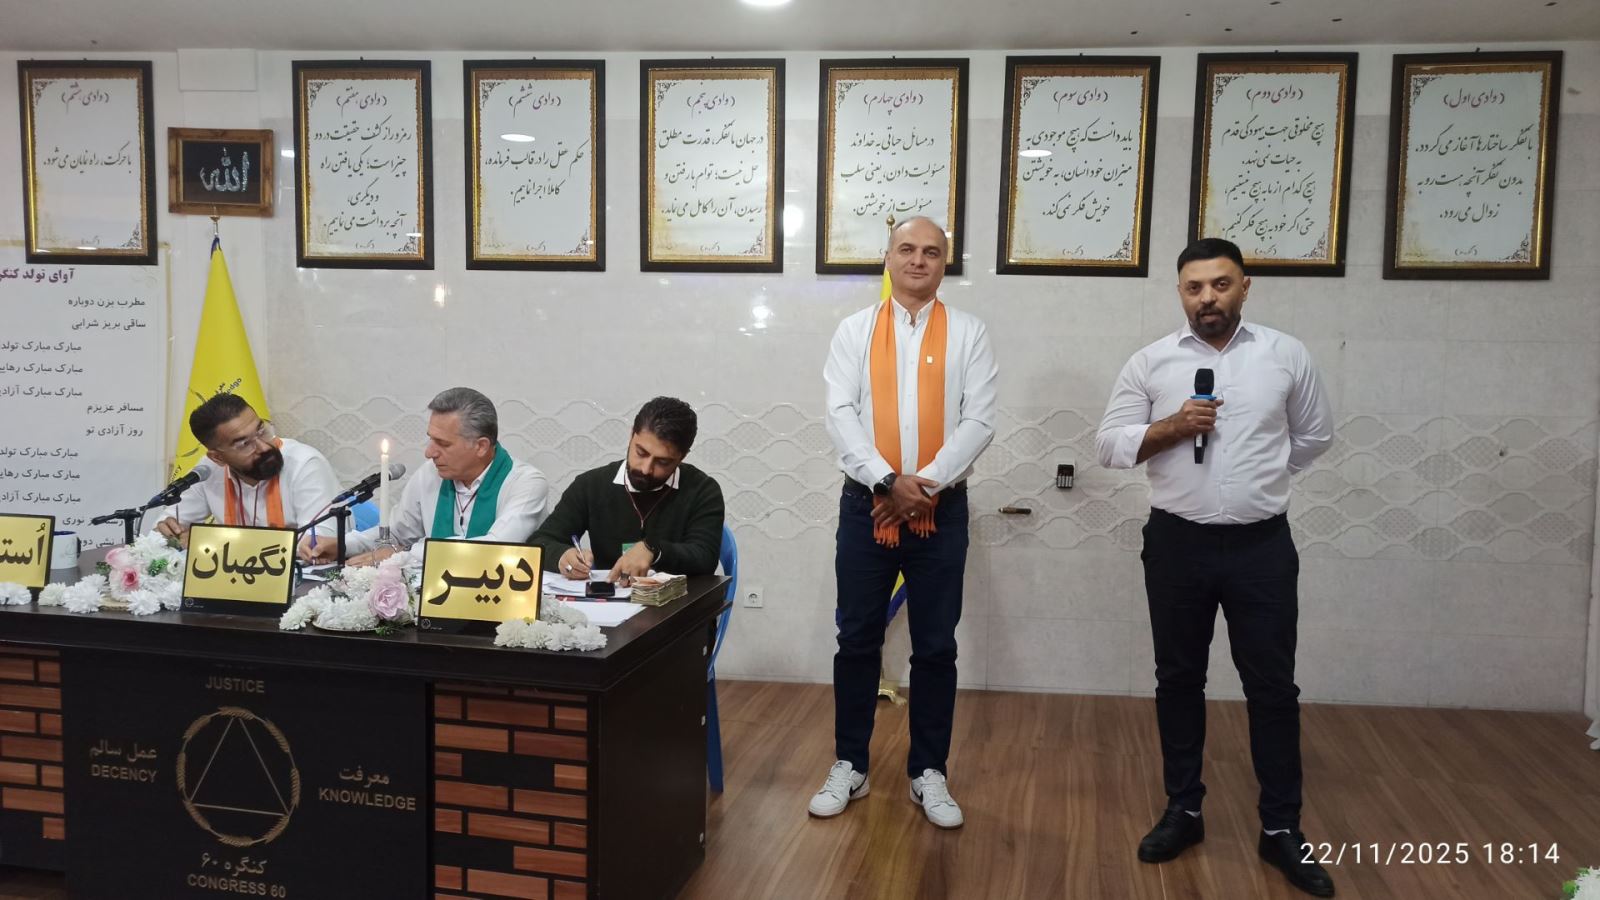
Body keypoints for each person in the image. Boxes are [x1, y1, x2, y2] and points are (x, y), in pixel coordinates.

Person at [1095, 237, 1335, 897]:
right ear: (1180, 292)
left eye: (1221, 284)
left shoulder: (1285, 355)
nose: (1208, 298)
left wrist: (1262, 478)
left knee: (1273, 688)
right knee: (1178, 679)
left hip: (1262, 547)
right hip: (1178, 545)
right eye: (1195, 287)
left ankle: (1281, 827)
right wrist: (1171, 428)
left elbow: (1314, 435)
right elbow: (1110, 446)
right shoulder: (1152, 362)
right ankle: (1185, 810)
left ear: (1244, 286)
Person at [808, 216, 997, 830]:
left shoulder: (969, 332)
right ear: (887, 259)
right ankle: (850, 764)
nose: (919, 260)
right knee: (857, 638)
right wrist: (888, 482)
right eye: (907, 249)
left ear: (945, 263)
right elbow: (840, 414)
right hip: (866, 506)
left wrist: (923, 486)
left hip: (942, 510)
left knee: (936, 645)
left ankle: (929, 772)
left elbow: (979, 420)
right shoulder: (854, 331)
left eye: (931, 252)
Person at [311, 387, 549, 565]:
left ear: (481, 446)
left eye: (443, 443)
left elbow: (492, 549)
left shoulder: (526, 483)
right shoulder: (430, 473)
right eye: (431, 439)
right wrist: (343, 545)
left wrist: (405, 555)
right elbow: (396, 534)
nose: (429, 452)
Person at [529, 397, 723, 583]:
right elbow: (540, 542)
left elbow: (705, 557)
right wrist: (562, 556)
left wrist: (654, 551)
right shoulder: (591, 485)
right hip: (608, 600)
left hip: (679, 602)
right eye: (641, 452)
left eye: (663, 462)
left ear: (682, 456)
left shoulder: (702, 490)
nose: (646, 469)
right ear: (631, 435)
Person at [157, 393, 340, 557]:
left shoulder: (304, 464)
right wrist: (171, 534)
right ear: (218, 457)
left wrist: (210, 541)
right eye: (244, 444)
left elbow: (316, 544)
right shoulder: (208, 470)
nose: (263, 447)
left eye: (261, 431)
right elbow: (163, 531)